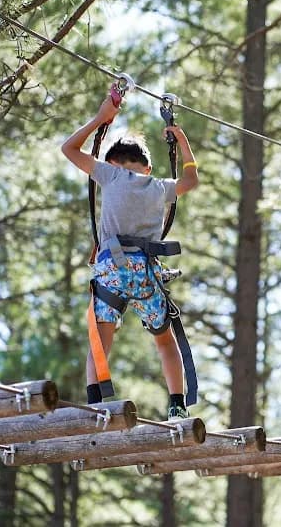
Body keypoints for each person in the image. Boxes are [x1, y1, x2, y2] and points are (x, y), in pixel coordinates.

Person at [61, 92, 199, 420]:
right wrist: (181, 140)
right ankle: (177, 404)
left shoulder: (109, 175)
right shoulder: (158, 186)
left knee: (100, 341)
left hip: (112, 269)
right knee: (165, 342)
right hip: (146, 274)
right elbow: (191, 180)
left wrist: (101, 118)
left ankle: (96, 404)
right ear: (147, 167)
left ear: (111, 164)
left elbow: (69, 149)